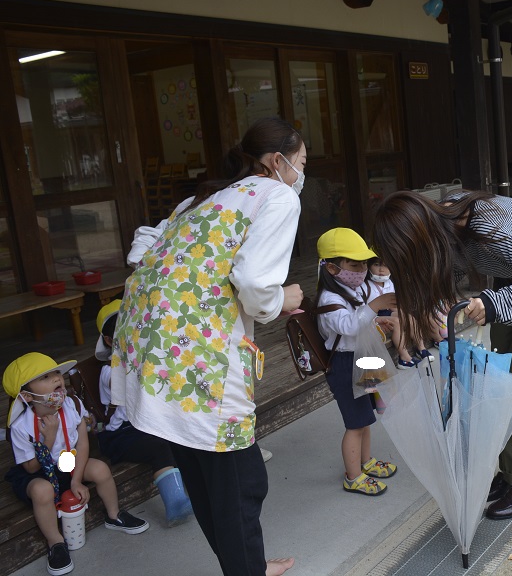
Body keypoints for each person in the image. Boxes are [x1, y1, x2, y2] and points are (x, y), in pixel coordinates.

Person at [110, 117, 305, 576]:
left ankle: (247, 566)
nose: (301, 173)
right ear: (275, 162)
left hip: (154, 353)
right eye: (300, 162)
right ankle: (248, 570)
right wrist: (282, 299)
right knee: (242, 483)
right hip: (203, 359)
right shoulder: (276, 194)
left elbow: (142, 250)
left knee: (202, 476)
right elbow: (258, 282)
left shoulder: (201, 198)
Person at [372, 189, 512, 520]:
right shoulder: (443, 228)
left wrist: (491, 304)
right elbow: (446, 272)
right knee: (501, 379)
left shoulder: (481, 223)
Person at [4, 352, 149, 576]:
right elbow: (31, 468)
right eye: (45, 378)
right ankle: (56, 543)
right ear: (27, 395)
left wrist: (76, 480)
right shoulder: (21, 426)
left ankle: (114, 515)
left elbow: (82, 444)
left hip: (66, 460)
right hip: (37, 472)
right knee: (44, 491)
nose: (56, 379)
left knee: (100, 469)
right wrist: (49, 438)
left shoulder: (71, 405)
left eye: (56, 374)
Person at [94, 300, 193, 527]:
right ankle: (176, 501)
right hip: (122, 434)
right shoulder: (109, 371)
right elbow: (138, 379)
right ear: (110, 341)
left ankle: (195, 488)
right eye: (125, 331)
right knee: (160, 445)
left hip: (148, 423)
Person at [316, 228, 398, 496]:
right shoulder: (330, 299)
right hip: (343, 365)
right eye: (354, 264)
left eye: (364, 262)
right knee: (354, 422)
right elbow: (349, 326)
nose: (362, 269)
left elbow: (361, 322)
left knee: (365, 416)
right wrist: (376, 306)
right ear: (332, 268)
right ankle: (353, 476)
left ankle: (366, 461)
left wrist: (378, 320)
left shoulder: (352, 291)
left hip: (361, 360)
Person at [366, 255, 433, 369]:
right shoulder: (366, 285)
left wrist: (402, 314)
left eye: (386, 266)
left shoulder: (389, 283)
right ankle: (404, 358)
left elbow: (393, 304)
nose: (381, 269)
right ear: (368, 267)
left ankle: (421, 348)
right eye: (376, 265)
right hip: (374, 317)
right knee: (397, 323)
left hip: (386, 312)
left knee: (409, 317)